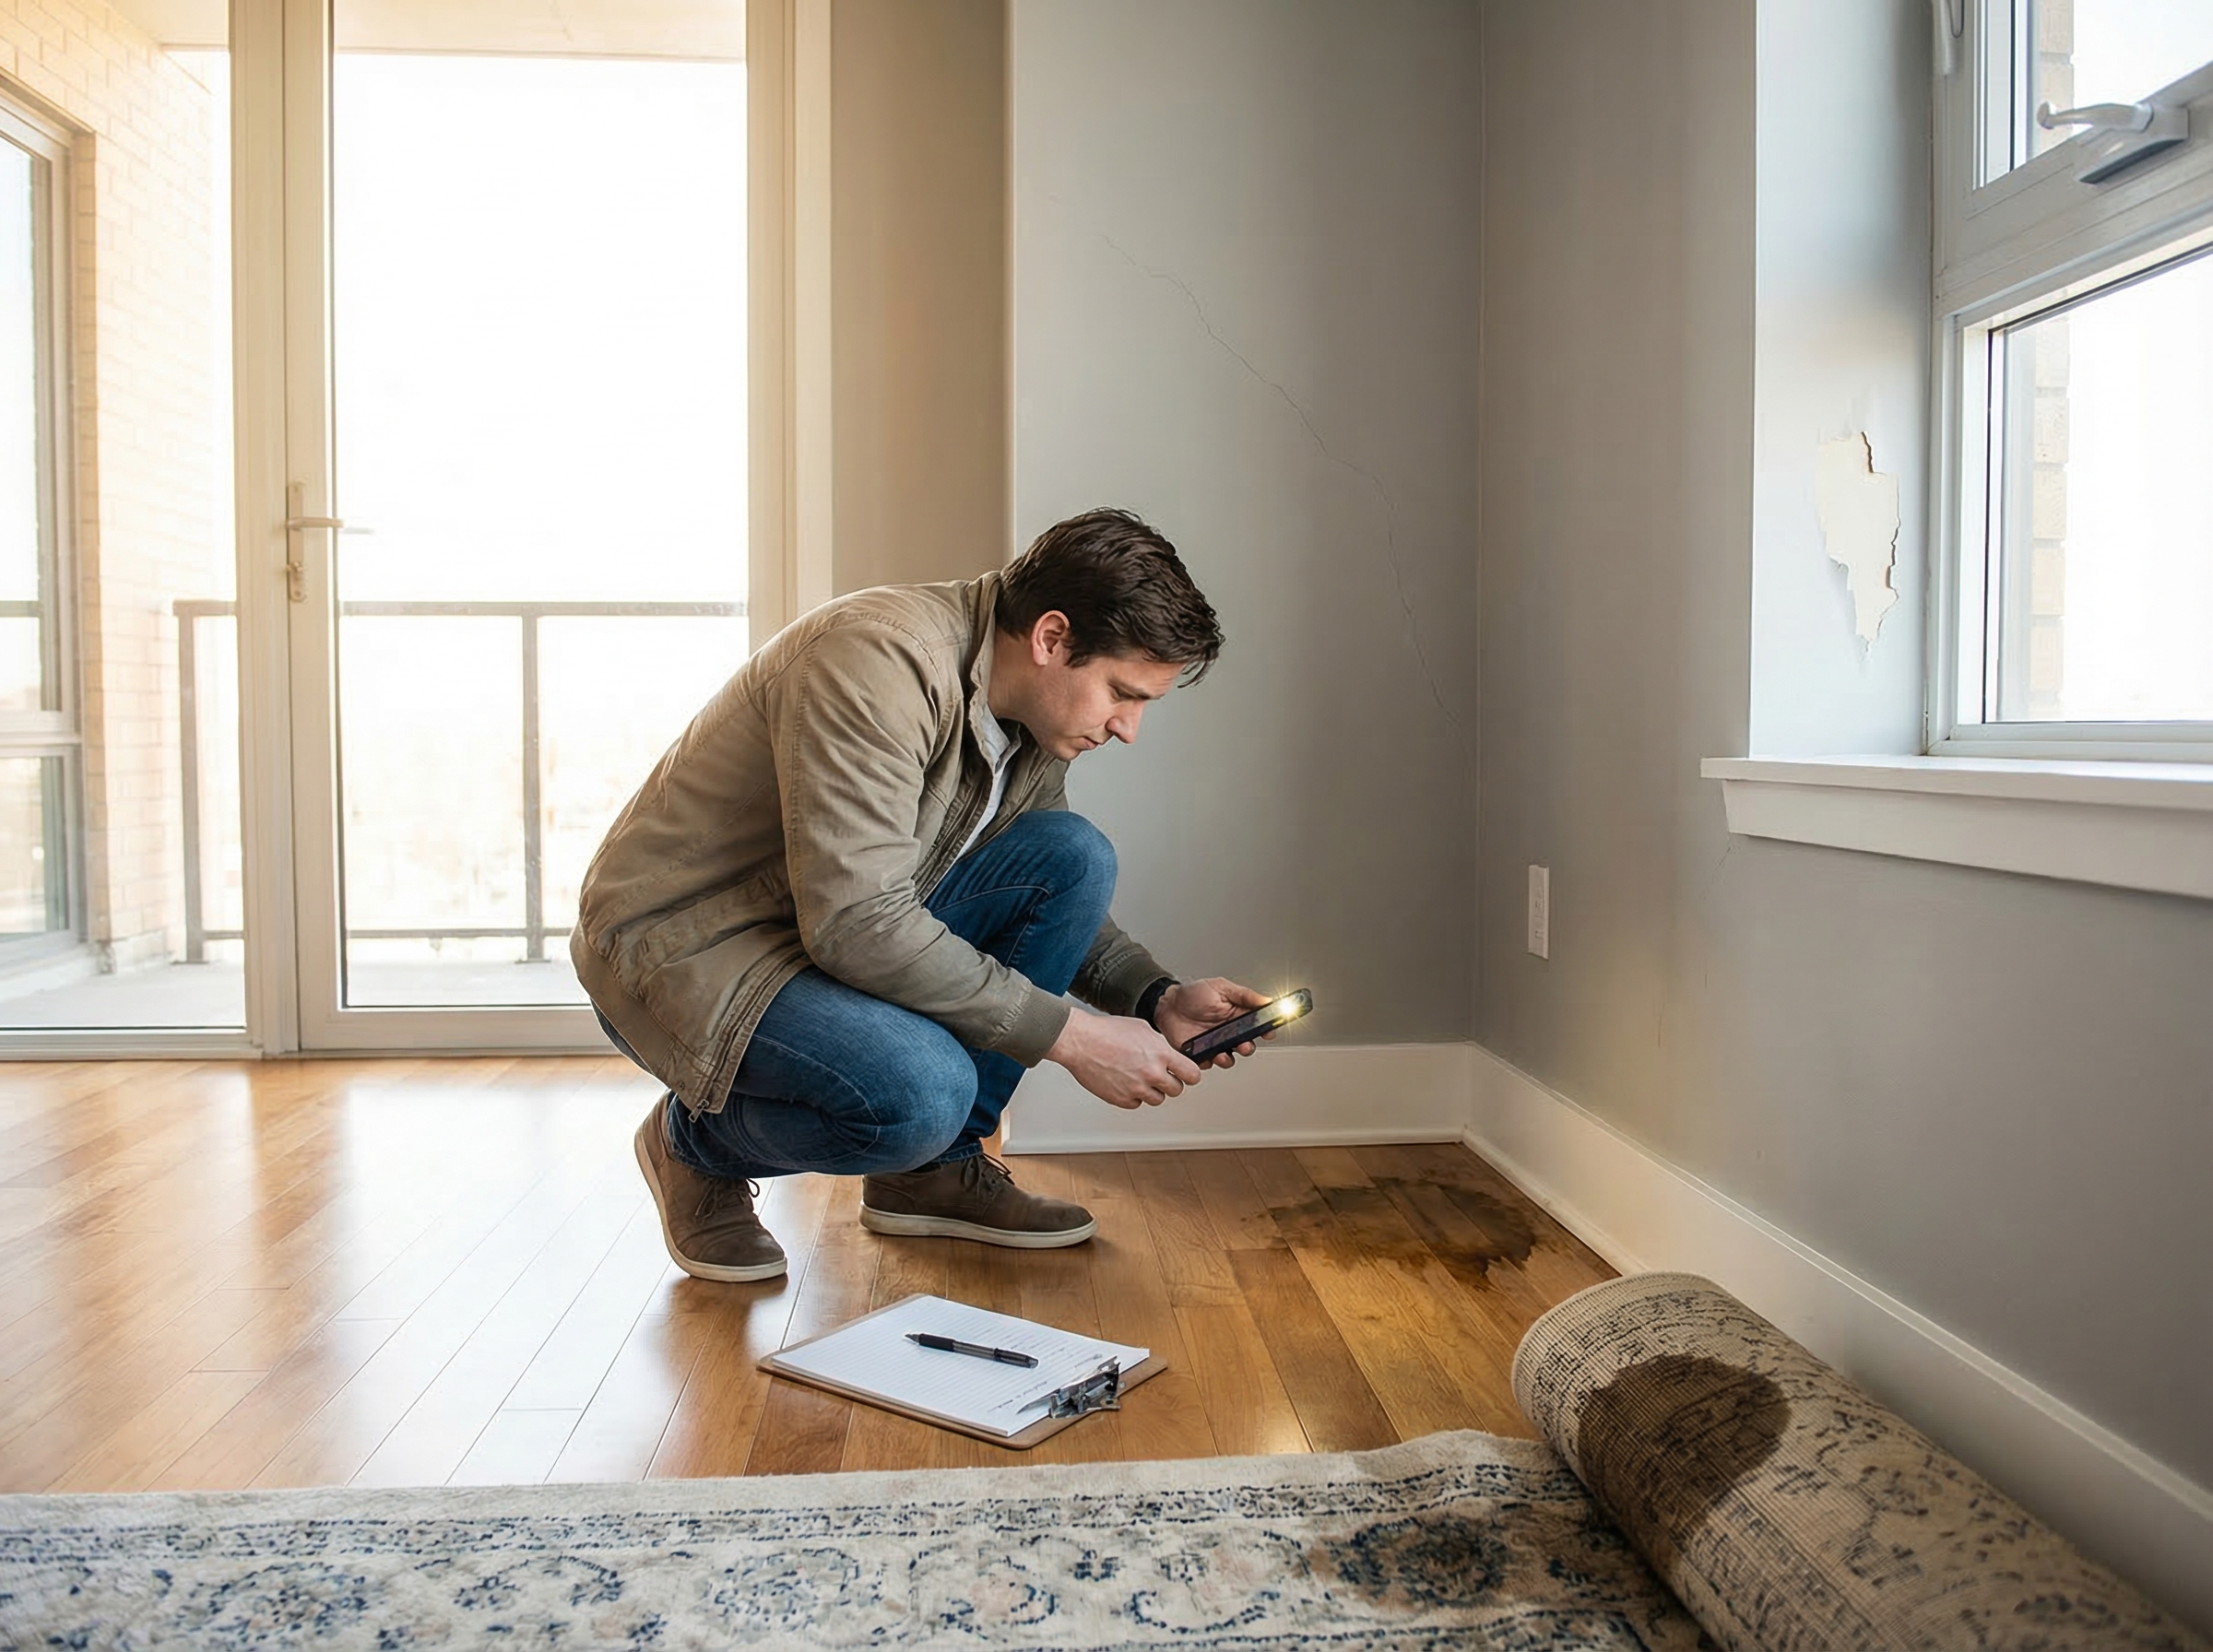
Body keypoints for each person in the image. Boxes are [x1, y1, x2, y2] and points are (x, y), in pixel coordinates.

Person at [574, 507, 1273, 1282]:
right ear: (1050, 639)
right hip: (687, 947)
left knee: (1073, 855)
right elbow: (857, 924)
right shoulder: (876, 659)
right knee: (921, 1095)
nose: (1128, 728)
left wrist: (1153, 997)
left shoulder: (1027, 716)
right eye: (1121, 692)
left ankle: (933, 1174)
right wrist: (1073, 1036)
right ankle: (690, 1144)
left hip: (819, 928)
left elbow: (1036, 879)